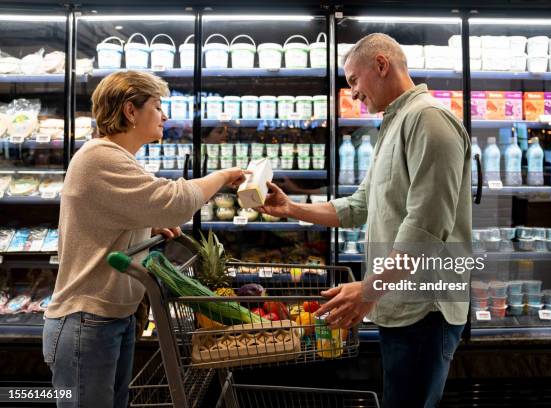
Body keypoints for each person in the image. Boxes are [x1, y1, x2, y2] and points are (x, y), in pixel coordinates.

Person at [260, 33, 472, 408]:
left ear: (380, 64)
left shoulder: (429, 121)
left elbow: (425, 228)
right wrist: (292, 209)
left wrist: (369, 289)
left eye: (353, 80)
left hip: (425, 310)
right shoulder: (392, 125)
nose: (352, 93)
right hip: (398, 304)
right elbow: (359, 206)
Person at [42, 71, 247, 407]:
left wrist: (147, 226)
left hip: (110, 318)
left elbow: (111, 217)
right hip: (86, 322)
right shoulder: (100, 157)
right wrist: (223, 176)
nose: (164, 115)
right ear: (130, 111)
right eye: (157, 105)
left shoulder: (118, 157)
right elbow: (174, 203)